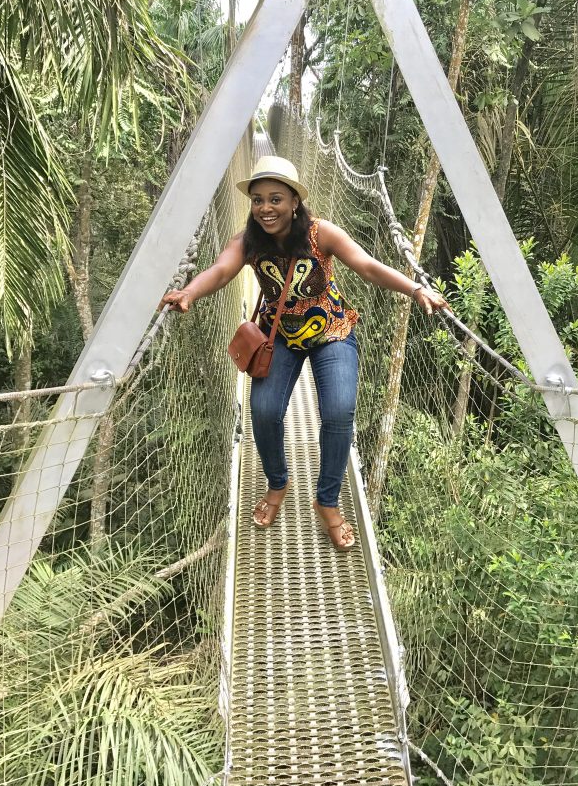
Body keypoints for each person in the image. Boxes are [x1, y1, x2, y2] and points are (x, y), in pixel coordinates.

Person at [161, 155, 448, 552]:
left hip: (332, 330)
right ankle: (278, 482)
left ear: (295, 201)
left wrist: (416, 289)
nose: (265, 208)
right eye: (258, 199)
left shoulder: (320, 233)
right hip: (279, 336)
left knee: (338, 411)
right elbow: (222, 270)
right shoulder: (248, 241)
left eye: (275, 198)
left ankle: (326, 501)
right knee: (262, 411)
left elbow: (365, 265)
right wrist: (190, 291)